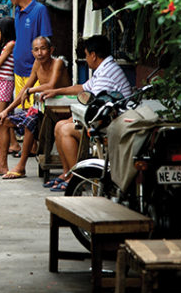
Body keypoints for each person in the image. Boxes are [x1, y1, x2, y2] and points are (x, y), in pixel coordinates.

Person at [38, 34, 134, 191]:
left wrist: (72, 119)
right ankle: (67, 174)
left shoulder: (107, 73)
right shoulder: (104, 68)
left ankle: (76, 178)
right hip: (106, 120)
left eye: (87, 55)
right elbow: (83, 88)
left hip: (112, 125)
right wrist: (56, 91)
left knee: (65, 129)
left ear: (94, 55)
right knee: (59, 126)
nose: (86, 58)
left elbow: (93, 105)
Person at [0, 36, 69, 180]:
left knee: (29, 120)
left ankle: (21, 166)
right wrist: (6, 110)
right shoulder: (37, 64)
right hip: (42, 110)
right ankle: (2, 164)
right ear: (32, 52)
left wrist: (30, 91)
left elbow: (51, 85)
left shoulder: (58, 62)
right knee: (3, 120)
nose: (40, 53)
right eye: (36, 50)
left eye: (43, 49)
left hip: (61, 111)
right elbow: (25, 89)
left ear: (51, 50)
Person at [7, 0, 52, 110]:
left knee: (35, 111)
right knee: (23, 110)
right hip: (18, 69)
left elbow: (46, 41)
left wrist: (38, 69)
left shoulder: (40, 10)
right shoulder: (17, 11)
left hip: (34, 71)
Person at [0, 17, 17, 153]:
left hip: (5, 82)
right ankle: (12, 144)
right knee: (3, 116)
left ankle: (7, 146)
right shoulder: (7, 44)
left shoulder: (10, 44)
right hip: (2, 81)